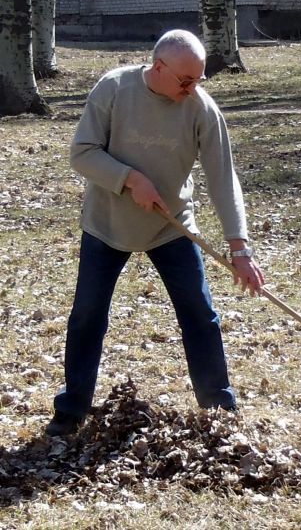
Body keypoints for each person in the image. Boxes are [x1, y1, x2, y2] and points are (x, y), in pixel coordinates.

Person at [45, 30, 265, 437]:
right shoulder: (114, 88)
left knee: (199, 313)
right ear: (158, 66)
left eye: (199, 79)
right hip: (107, 223)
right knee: (87, 316)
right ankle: (71, 409)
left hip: (171, 225)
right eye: (185, 80)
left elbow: (223, 177)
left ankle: (218, 407)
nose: (192, 88)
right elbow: (83, 152)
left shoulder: (200, 107)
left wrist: (240, 247)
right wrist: (129, 179)